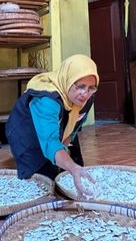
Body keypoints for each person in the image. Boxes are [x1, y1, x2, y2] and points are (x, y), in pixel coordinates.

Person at [6, 54, 99, 197]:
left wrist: (65, 148)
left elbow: (74, 127)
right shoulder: (46, 100)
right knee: (41, 178)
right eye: (80, 86)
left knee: (71, 168)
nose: (85, 93)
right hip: (26, 128)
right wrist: (72, 167)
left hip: (60, 121)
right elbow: (50, 142)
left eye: (91, 87)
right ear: (68, 81)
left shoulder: (86, 98)